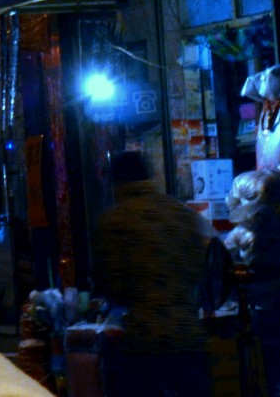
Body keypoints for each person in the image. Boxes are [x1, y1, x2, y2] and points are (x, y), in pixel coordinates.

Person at [92, 150, 211, 397]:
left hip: (145, 340)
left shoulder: (115, 221)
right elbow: (201, 268)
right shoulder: (182, 214)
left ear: (116, 182)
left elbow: (112, 283)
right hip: (188, 336)